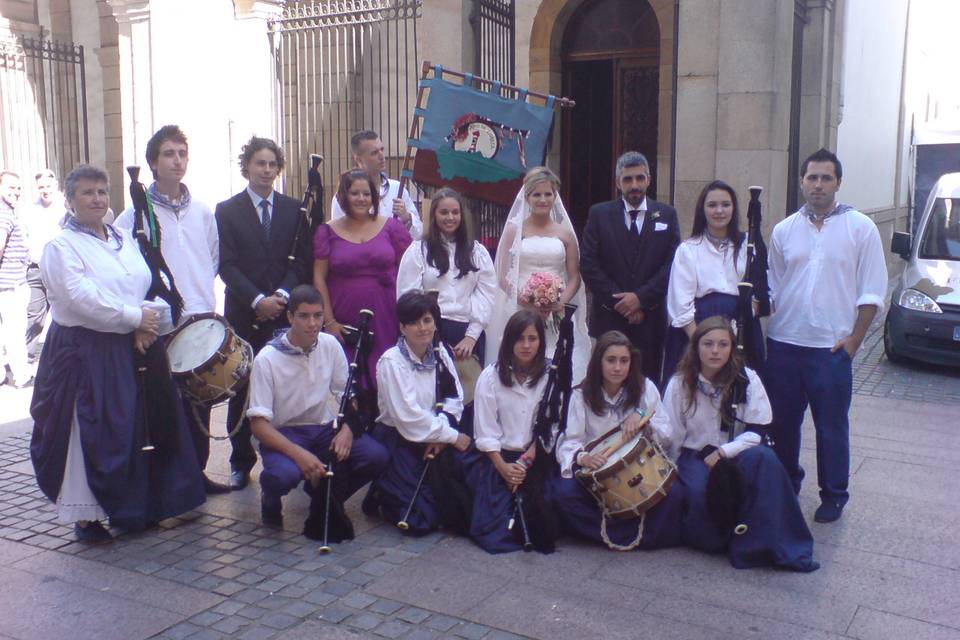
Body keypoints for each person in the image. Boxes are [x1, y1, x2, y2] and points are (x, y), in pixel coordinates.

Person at [29, 165, 205, 542]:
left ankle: (136, 505)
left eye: (102, 192)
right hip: (86, 349)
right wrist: (135, 320)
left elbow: (142, 283)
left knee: (136, 425)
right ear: (70, 200)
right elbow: (79, 299)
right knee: (90, 429)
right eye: (87, 193)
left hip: (131, 343)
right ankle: (87, 517)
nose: (97, 199)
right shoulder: (61, 247)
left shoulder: (121, 236)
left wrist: (147, 322)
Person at [764, 148, 888, 523]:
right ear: (802, 181)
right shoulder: (784, 230)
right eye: (812, 178)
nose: (818, 185)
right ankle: (787, 483)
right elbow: (772, 286)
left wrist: (853, 341)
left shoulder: (860, 228)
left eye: (826, 178)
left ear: (838, 182)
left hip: (830, 349)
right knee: (783, 424)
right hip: (785, 344)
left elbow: (872, 291)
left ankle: (833, 494)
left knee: (831, 426)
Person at [116, 125, 229, 494]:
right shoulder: (133, 214)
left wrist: (198, 300)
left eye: (182, 153)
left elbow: (211, 258)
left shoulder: (201, 211)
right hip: (161, 325)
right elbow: (127, 269)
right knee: (165, 406)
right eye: (169, 153)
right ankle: (168, 483)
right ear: (153, 162)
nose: (177, 161)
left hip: (200, 318)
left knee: (202, 403)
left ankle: (196, 475)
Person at [662, 316, 818, 571]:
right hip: (694, 456)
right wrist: (671, 472)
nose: (715, 351)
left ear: (731, 348)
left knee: (766, 462)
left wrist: (725, 452)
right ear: (696, 346)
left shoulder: (747, 379)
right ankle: (724, 537)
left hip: (736, 451)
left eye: (723, 345)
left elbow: (758, 429)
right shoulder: (679, 384)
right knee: (704, 499)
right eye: (708, 344)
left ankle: (771, 544)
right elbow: (673, 434)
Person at [247, 284, 388, 533]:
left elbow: (348, 395)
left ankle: (324, 495)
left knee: (376, 457)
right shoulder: (266, 359)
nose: (312, 323)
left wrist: (347, 430)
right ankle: (270, 496)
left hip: (323, 429)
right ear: (290, 317)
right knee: (283, 475)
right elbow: (258, 424)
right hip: (285, 433)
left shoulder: (330, 345)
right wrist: (299, 454)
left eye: (318, 316)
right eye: (304, 316)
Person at [216, 136, 313, 490]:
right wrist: (258, 299)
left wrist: (282, 296)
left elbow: (302, 258)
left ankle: (293, 455)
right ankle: (241, 461)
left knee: (287, 386)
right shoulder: (226, 211)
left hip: (283, 313)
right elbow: (226, 265)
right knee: (241, 386)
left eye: (272, 164)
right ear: (247, 167)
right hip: (245, 313)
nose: (267, 170)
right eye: (260, 163)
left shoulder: (293, 209)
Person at [552, 331, 684, 550]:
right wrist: (582, 457)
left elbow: (667, 434)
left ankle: (630, 534)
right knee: (563, 494)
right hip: (598, 473)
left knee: (675, 493)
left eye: (624, 361)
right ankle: (624, 534)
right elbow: (569, 441)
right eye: (611, 360)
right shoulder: (581, 395)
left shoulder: (644, 388)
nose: (617, 367)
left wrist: (643, 421)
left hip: (640, 468)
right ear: (598, 362)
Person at [368, 291, 472, 535]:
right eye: (414, 322)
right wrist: (451, 437)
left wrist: (442, 436)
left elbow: (455, 396)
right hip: (400, 440)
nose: (423, 328)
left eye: (427, 320)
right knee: (420, 520)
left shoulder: (440, 351)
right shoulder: (391, 362)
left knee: (460, 504)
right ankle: (382, 491)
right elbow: (409, 418)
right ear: (402, 327)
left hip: (437, 434)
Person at [580, 151, 681, 387]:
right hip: (609, 318)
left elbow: (673, 265)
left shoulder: (667, 215)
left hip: (650, 319)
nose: (634, 185)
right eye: (627, 179)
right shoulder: (599, 214)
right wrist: (623, 303)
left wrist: (640, 299)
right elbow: (589, 263)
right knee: (607, 384)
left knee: (648, 385)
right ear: (618, 182)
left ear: (649, 179)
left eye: (639, 178)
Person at [486, 167, 590, 382]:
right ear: (527, 197)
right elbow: (503, 274)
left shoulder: (565, 233)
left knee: (554, 364)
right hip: (520, 306)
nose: (543, 199)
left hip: (555, 312)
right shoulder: (514, 232)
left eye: (548, 194)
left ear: (555, 196)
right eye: (537, 194)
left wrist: (560, 301)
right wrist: (525, 300)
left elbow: (574, 276)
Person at [314, 169, 411, 388]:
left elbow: (410, 271)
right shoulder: (326, 231)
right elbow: (319, 278)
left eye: (366, 194)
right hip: (343, 318)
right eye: (354, 193)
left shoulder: (391, 228)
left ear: (374, 197)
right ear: (343, 196)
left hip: (386, 315)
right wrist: (329, 322)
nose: (361, 199)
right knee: (349, 381)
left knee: (385, 377)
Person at [662, 180, 764, 383]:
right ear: (703, 209)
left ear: (734, 209)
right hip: (697, 329)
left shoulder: (748, 246)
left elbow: (760, 292)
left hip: (740, 327)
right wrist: (704, 345)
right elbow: (680, 305)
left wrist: (734, 341)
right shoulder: (689, 249)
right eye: (712, 205)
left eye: (725, 205)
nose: (719, 211)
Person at [469, 309, 553, 553]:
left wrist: (525, 463)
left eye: (532, 338)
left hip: (534, 456)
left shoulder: (550, 377)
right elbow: (485, 430)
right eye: (519, 339)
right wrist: (505, 469)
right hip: (498, 458)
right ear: (508, 340)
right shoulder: (490, 377)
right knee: (492, 523)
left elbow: (552, 425)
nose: (526, 345)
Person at [330, 130, 422, 239]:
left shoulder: (397, 189)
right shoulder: (343, 195)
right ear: (358, 159)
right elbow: (338, 237)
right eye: (374, 153)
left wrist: (407, 217)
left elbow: (419, 235)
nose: (382, 156)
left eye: (382, 149)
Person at [24, 169, 67, 360]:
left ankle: (64, 354)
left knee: (63, 313)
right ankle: (26, 357)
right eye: (41, 187)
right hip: (36, 270)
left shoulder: (66, 207)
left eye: (48, 186)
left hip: (60, 269)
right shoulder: (30, 209)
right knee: (34, 316)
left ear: (56, 185)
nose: (45, 190)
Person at [0, 170, 32, 388]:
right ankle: (22, 377)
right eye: (11, 187)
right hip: (11, 285)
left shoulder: (8, 212)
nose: (16, 192)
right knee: (15, 332)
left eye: (19, 187)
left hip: (8, 284)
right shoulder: (4, 215)